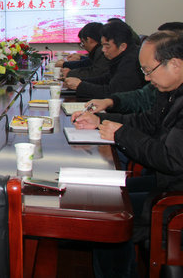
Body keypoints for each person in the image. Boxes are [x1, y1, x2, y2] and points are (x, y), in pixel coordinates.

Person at [72, 31, 183, 277]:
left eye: (149, 70)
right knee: (102, 196)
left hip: (175, 197)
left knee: (108, 215)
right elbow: (146, 122)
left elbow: (171, 159)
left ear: (175, 64)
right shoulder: (171, 91)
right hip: (165, 182)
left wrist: (120, 134)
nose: (146, 78)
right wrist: (100, 120)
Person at [63, 21, 145, 99]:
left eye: (107, 46)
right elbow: (106, 79)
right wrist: (80, 82)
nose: (103, 50)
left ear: (122, 46)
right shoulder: (120, 57)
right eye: (102, 45)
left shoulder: (132, 62)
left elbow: (112, 92)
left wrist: (81, 86)